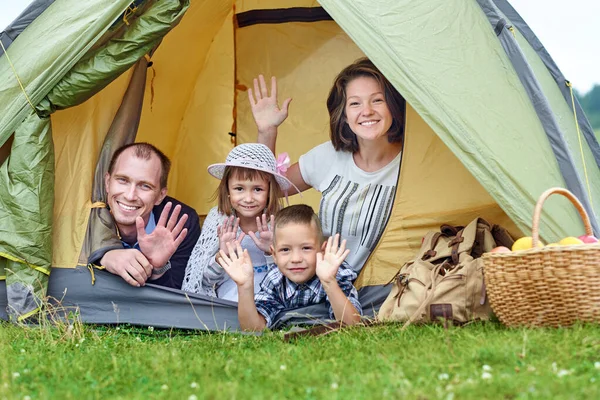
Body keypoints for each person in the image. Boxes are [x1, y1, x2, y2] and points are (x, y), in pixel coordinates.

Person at [249, 58, 405, 274]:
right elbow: (266, 191)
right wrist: (267, 131)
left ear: (393, 106)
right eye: (355, 103)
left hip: (385, 292)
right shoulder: (329, 156)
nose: (367, 111)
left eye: (377, 100)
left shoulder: (412, 162)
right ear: (344, 114)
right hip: (320, 286)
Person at [182, 143, 298, 301]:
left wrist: (271, 252)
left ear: (270, 191)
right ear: (227, 190)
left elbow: (293, 275)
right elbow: (203, 280)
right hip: (229, 295)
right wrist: (222, 257)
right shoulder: (218, 218)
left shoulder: (278, 221)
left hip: (271, 294)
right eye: (239, 189)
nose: (248, 198)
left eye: (257, 189)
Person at [217, 204, 361, 331]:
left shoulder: (335, 271)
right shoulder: (275, 279)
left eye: (306, 248)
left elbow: (353, 326)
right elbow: (253, 329)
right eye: (285, 250)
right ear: (274, 254)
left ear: (322, 251)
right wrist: (245, 286)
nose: (296, 259)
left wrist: (329, 282)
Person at [92, 142, 200, 289]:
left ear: (160, 196)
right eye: (122, 180)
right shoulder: (86, 215)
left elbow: (177, 302)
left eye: (145, 186)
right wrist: (104, 256)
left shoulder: (180, 222)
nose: (130, 196)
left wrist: (158, 270)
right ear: (107, 183)